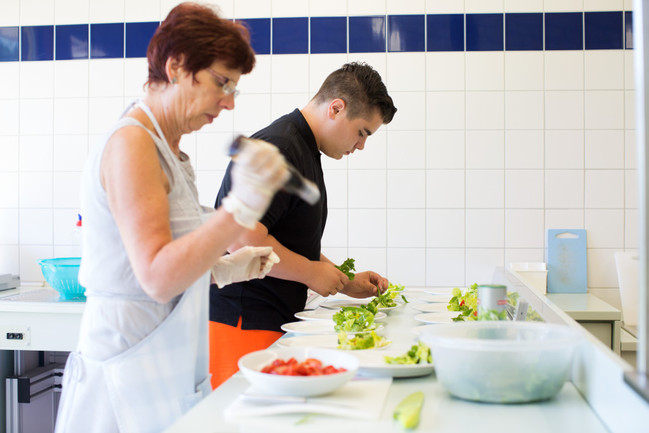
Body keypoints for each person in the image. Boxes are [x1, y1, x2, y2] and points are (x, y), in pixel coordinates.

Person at [54, 4, 290, 433]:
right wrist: (240, 206)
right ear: (177, 66)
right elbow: (156, 278)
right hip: (124, 373)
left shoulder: (172, 150)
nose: (228, 102)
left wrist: (223, 270)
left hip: (161, 366)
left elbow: (154, 258)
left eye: (235, 89)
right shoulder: (132, 144)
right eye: (223, 83)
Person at [209, 62, 398, 387]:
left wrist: (345, 280)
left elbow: (287, 241)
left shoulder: (303, 149)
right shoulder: (282, 147)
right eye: (362, 132)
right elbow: (243, 240)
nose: (362, 145)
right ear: (337, 109)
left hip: (269, 318)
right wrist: (311, 274)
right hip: (244, 320)